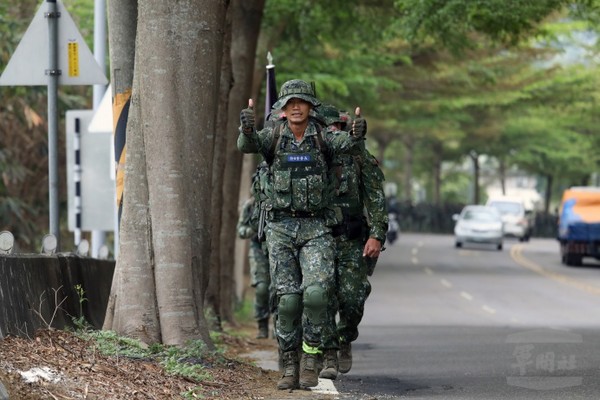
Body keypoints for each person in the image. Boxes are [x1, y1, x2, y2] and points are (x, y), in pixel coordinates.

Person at [237, 79, 367, 390]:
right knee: (288, 301)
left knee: (317, 295)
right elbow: (247, 146)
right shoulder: (274, 136)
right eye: (290, 102)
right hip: (280, 229)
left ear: (311, 106)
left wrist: (358, 133)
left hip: (316, 229)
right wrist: (248, 129)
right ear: (282, 107)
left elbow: (349, 147)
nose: (296, 107)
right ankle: (289, 363)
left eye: (302, 101)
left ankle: (311, 357)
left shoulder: (324, 137)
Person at [316, 104, 388, 380]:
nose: (333, 133)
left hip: (352, 238)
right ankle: (329, 353)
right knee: (320, 297)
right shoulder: (311, 157)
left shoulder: (359, 158)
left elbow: (376, 199)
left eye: (338, 128)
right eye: (328, 128)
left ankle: (345, 337)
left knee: (353, 298)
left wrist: (377, 235)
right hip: (318, 237)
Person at [236, 168, 271, 339]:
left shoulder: (276, 202)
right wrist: (253, 230)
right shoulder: (250, 205)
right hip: (258, 250)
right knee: (263, 288)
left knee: (282, 289)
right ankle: (262, 325)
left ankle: (282, 327)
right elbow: (240, 230)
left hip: (276, 247)